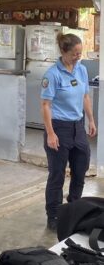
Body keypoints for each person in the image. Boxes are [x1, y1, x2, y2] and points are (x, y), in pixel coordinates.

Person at [41, 33, 96, 230]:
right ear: (63, 52)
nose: (78, 56)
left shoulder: (81, 70)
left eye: (80, 53)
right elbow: (46, 105)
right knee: (57, 175)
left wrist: (91, 120)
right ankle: (54, 215)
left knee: (80, 171)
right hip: (58, 128)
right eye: (74, 53)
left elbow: (85, 97)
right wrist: (50, 133)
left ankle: (73, 209)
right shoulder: (52, 74)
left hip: (77, 126)